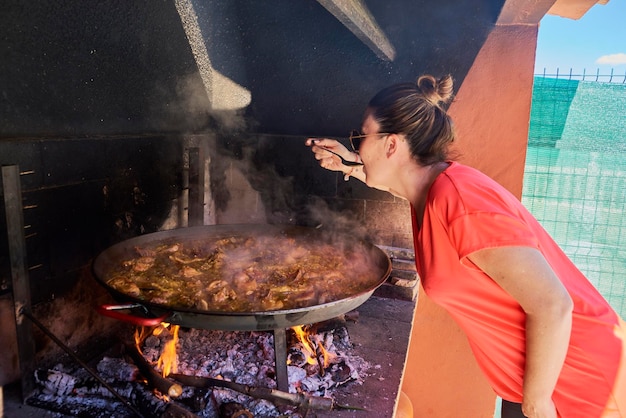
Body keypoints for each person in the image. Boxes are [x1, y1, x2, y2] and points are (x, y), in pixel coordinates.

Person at [305, 74, 626, 418]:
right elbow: (400, 186)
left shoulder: (461, 200)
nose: (356, 143)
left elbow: (552, 303)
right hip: (540, 382)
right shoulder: (433, 192)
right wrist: (351, 164)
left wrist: (536, 403)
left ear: (391, 144)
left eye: (360, 136)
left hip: (579, 384)